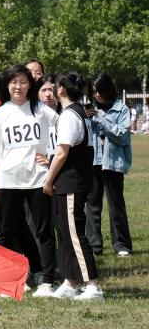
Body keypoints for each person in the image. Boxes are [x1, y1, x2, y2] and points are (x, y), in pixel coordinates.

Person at [0, 64, 58, 297]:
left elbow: (64, 129)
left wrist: (52, 157)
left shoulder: (40, 109)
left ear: (30, 85)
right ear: (7, 85)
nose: (18, 86)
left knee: (44, 231)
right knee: (8, 231)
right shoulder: (0, 113)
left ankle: (47, 280)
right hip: (8, 181)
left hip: (38, 180)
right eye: (14, 82)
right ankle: (12, 278)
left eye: (23, 82)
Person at [42, 72, 103, 300]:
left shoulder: (69, 115)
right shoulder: (78, 112)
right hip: (72, 182)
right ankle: (70, 281)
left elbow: (61, 152)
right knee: (66, 234)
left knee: (75, 234)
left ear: (61, 89)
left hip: (71, 183)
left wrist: (48, 179)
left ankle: (92, 285)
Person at [85, 74, 132, 257]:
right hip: (93, 162)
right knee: (92, 205)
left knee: (116, 205)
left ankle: (122, 245)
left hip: (112, 163)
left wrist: (101, 117)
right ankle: (94, 246)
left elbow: (122, 135)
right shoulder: (89, 109)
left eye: (100, 90)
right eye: (93, 91)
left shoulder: (121, 109)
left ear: (108, 89)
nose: (97, 94)